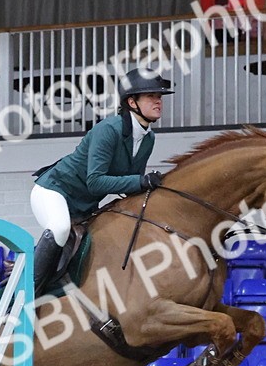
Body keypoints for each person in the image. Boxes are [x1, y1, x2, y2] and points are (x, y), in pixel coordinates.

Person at [28, 68, 173, 292]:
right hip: (55, 191)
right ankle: (27, 290)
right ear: (132, 102)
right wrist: (141, 181)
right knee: (59, 227)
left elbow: (131, 186)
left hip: (85, 205)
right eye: (151, 96)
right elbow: (95, 182)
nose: (158, 101)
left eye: (159, 97)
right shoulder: (108, 129)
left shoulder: (148, 138)